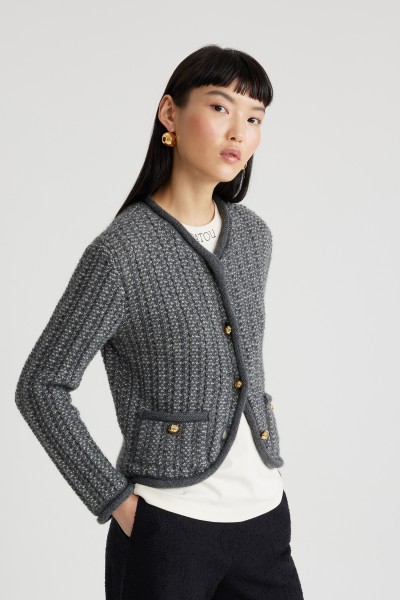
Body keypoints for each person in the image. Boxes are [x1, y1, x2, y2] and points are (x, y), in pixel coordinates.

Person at [15, 44, 304, 599]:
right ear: (170, 113)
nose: (238, 132)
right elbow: (40, 385)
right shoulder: (120, 253)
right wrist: (118, 503)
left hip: (264, 517)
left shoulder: (254, 237)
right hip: (168, 528)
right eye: (219, 108)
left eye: (254, 118)